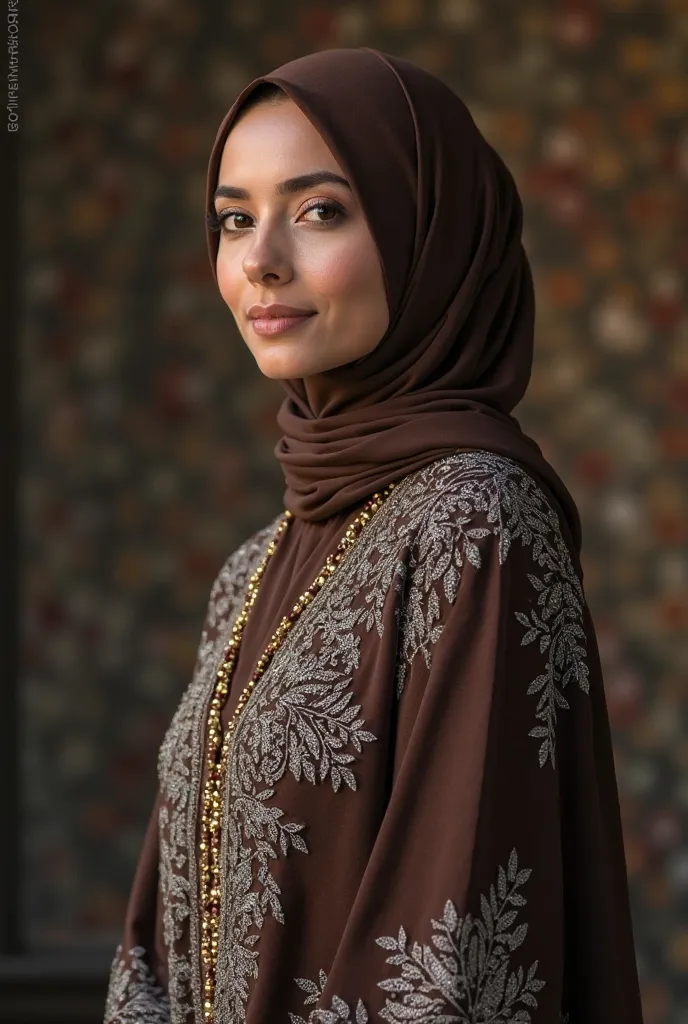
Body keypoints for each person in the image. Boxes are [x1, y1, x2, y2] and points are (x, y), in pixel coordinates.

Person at [104, 47, 643, 1024]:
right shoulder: (251, 568)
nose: (261, 257)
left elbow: (448, 954)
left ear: (426, 232)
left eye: (318, 211)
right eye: (234, 218)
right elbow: (155, 934)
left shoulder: (477, 523)